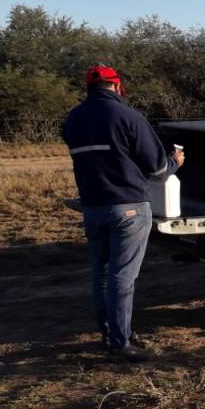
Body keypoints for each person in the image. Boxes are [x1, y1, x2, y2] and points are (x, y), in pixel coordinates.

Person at [63, 65, 184, 361]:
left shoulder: (72, 119)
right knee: (122, 276)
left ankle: (111, 334)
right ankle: (121, 343)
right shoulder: (128, 117)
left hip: (92, 207)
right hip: (128, 207)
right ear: (118, 87)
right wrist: (175, 161)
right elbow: (157, 169)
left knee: (102, 274)